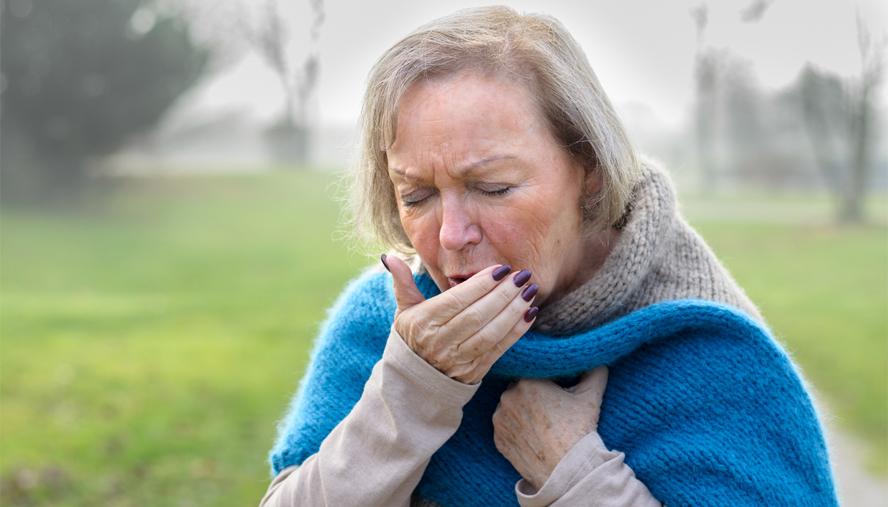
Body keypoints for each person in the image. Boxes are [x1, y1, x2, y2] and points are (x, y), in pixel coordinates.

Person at [261, 6, 838, 507]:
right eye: (417, 195)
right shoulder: (385, 325)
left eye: (493, 188)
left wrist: (579, 478)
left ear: (588, 171)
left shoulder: (709, 358)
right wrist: (412, 392)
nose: (451, 234)